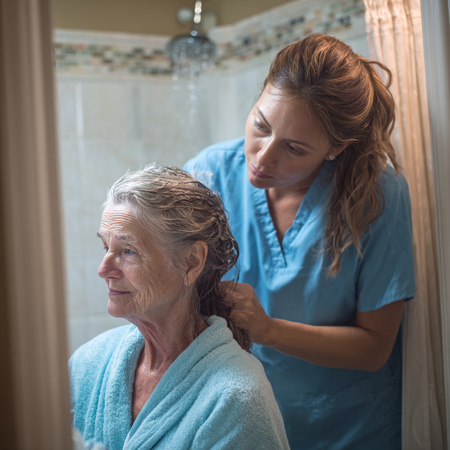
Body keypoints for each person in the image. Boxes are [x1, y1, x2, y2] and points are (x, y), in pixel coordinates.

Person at [184, 33, 415, 449]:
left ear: (335, 149)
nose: (263, 157)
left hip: (351, 429)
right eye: (260, 125)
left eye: (294, 148)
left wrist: (268, 329)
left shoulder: (377, 194)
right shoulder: (209, 174)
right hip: (243, 420)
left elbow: (375, 348)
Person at [69, 163, 290, 450]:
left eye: (128, 251)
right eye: (105, 248)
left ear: (191, 262)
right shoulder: (88, 363)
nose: (103, 269)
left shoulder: (236, 399)